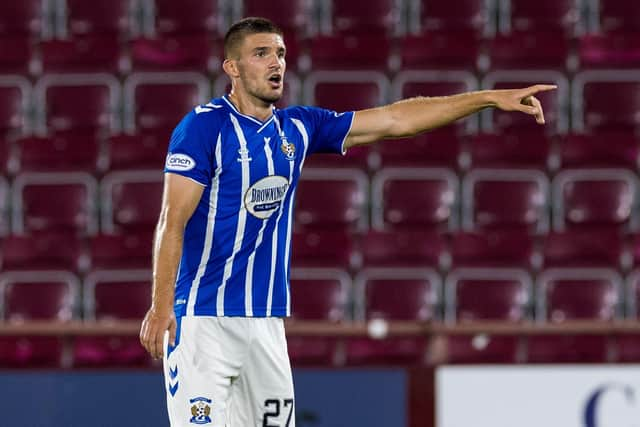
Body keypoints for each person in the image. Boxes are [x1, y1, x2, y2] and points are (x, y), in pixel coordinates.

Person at [139, 16, 555, 427]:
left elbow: (396, 119)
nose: (276, 63)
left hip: (266, 323)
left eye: (280, 54)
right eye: (261, 54)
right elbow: (171, 221)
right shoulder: (202, 128)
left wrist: (485, 98)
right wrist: (161, 307)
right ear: (232, 67)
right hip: (202, 320)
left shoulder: (298, 127)